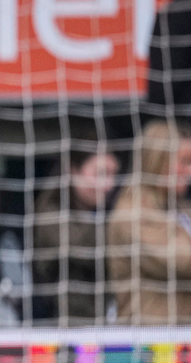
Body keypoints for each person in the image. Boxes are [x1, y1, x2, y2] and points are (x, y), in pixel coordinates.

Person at [108, 119, 191, 324]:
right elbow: (182, 260)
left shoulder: (178, 208)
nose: (189, 171)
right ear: (157, 160)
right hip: (149, 337)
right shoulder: (133, 214)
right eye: (184, 162)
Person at [31, 148, 121, 324]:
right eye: (100, 174)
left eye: (113, 175)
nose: (109, 185)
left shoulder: (102, 210)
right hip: (66, 326)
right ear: (73, 170)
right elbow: (85, 247)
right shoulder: (51, 213)